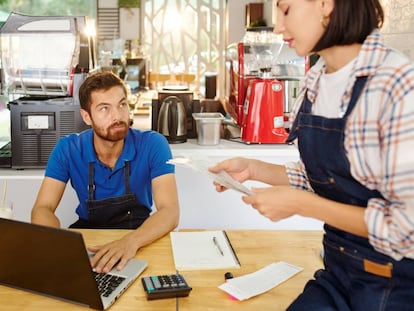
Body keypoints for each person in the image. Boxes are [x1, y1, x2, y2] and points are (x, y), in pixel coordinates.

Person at [209, 0, 414, 310]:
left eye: (286, 9)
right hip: (338, 273)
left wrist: (302, 206)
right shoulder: (316, 79)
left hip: (394, 283)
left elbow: (406, 227)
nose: (277, 26)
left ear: (325, 4)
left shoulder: (396, 85)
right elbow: (325, 178)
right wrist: (253, 168)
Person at [31, 71, 179, 274]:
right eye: (104, 109)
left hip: (140, 237)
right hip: (88, 241)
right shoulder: (68, 149)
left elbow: (170, 211)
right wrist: (58, 243)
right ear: (86, 116)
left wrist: (130, 242)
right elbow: (42, 208)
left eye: (122, 104)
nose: (117, 116)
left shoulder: (153, 144)